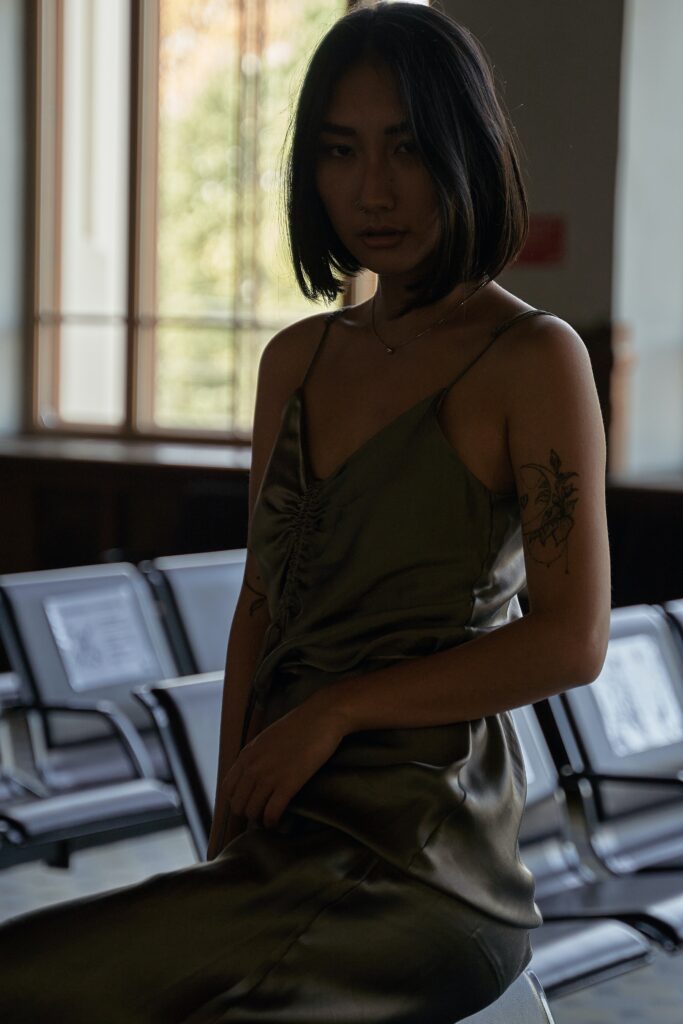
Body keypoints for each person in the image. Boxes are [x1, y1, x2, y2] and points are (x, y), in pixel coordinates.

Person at [0, 3, 611, 1021]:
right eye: (339, 151)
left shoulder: (531, 356)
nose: (372, 189)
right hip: (284, 839)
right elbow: (260, 605)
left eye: (405, 147)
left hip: (428, 857)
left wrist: (335, 709)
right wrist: (228, 821)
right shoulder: (298, 358)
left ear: (461, 149)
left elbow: (570, 640)